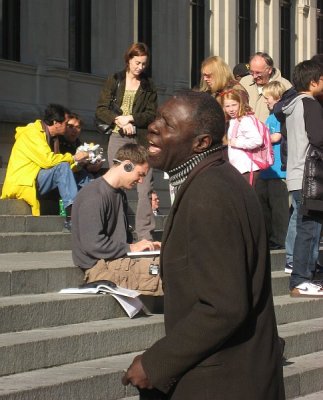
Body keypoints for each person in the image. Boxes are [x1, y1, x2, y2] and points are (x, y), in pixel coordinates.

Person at [122, 91, 285, 399]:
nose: (153, 127)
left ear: (201, 143)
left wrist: (156, 363)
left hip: (225, 381)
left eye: (167, 123)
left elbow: (223, 306)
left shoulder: (210, 194)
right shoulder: (211, 181)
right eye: (156, 117)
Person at [95, 42, 158, 241]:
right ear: (128, 60)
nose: (140, 67)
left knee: (144, 186)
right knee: (115, 183)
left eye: (144, 64)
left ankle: (145, 235)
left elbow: (151, 114)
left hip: (140, 139)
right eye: (137, 62)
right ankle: (115, 231)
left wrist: (130, 119)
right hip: (117, 137)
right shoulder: (115, 79)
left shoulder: (148, 85)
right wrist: (118, 120)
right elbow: (101, 108)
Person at [72, 143, 160, 274]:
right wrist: (132, 248)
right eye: (140, 174)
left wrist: (146, 247)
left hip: (118, 261)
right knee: (157, 274)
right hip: (99, 266)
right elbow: (94, 244)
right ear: (127, 165)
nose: (141, 181)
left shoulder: (119, 194)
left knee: (166, 264)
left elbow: (122, 239)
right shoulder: (93, 195)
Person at [0, 104, 88, 230]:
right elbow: (48, 161)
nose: (68, 126)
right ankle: (72, 218)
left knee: (81, 174)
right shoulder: (32, 133)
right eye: (66, 123)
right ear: (56, 123)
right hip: (25, 181)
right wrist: (74, 158)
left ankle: (95, 208)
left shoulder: (55, 138)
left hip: (39, 176)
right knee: (63, 167)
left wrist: (80, 164)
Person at [282, 60, 323, 297]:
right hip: (310, 177)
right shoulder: (310, 104)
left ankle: (303, 276)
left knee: (305, 226)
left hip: (296, 175)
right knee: (310, 228)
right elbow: (318, 138)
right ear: (313, 82)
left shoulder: (293, 106)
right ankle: (300, 279)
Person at [255, 81, 289, 250]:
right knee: (263, 205)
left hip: (277, 171)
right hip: (265, 170)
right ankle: (268, 236)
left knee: (279, 208)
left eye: (267, 98)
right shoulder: (269, 117)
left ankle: (280, 239)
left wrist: (259, 138)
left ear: (276, 98)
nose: (266, 101)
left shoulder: (279, 115)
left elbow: (277, 136)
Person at [220, 88, 263, 186]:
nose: (231, 109)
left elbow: (257, 140)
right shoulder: (233, 120)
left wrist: (236, 143)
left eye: (234, 105)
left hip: (247, 169)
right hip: (239, 169)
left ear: (240, 104)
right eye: (227, 106)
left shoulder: (244, 120)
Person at [240, 52, 292, 122]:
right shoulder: (244, 82)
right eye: (251, 72)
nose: (254, 76)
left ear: (269, 70)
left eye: (258, 73)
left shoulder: (285, 86)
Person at [59, 113, 106, 189]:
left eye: (78, 127)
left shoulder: (80, 145)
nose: (74, 130)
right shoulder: (57, 143)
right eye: (70, 127)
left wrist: (93, 167)